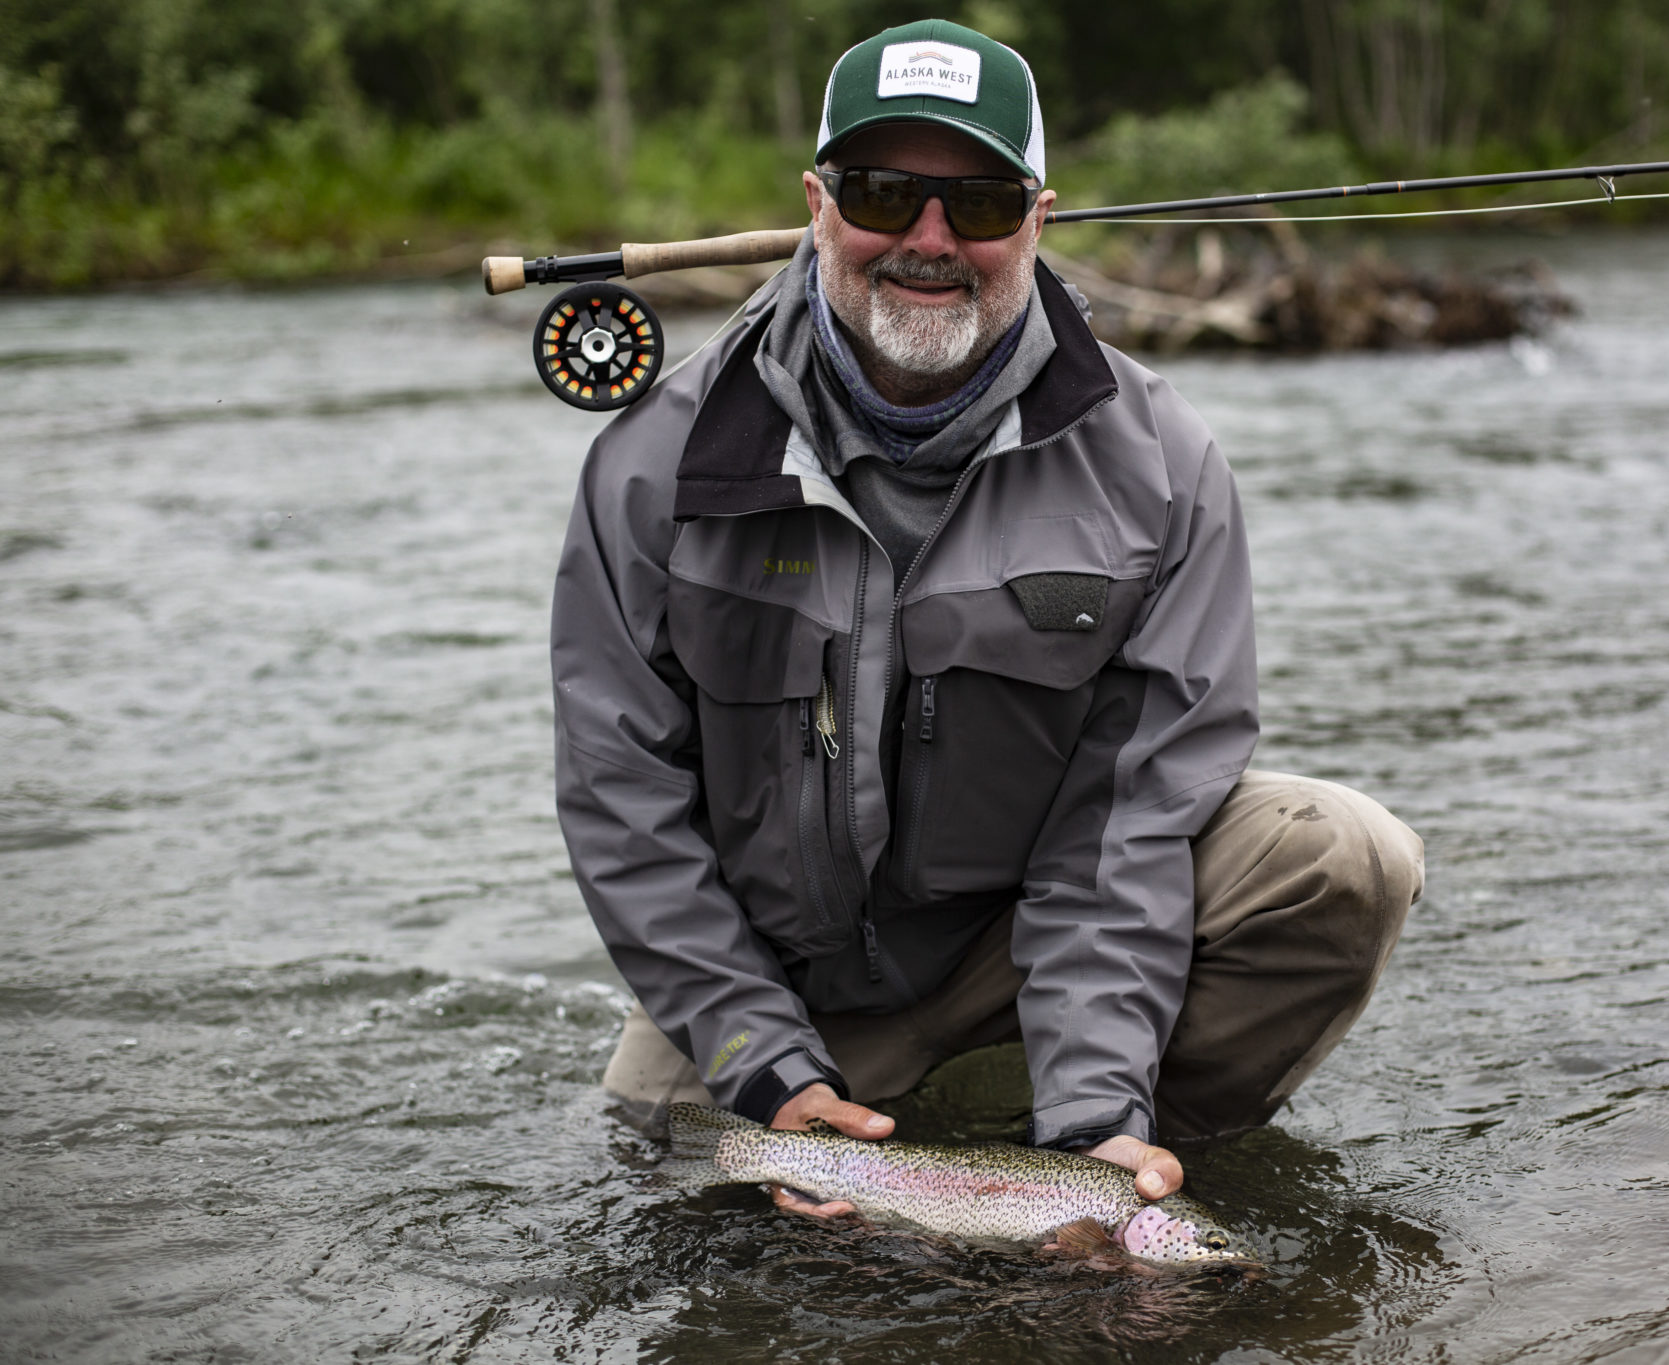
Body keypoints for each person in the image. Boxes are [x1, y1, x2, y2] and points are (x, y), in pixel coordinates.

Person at [551, 17, 1424, 1215]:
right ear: (816, 204)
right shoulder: (659, 463)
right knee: (676, 1211)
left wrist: (1094, 1120)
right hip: (775, 981)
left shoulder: (1157, 465)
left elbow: (1123, 825)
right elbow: (623, 803)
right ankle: (863, 1124)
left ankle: (1103, 1165)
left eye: (977, 203)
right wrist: (761, 1064)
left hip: (1018, 941)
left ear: (1038, 218)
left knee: (1343, 856)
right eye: (881, 192)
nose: (926, 239)